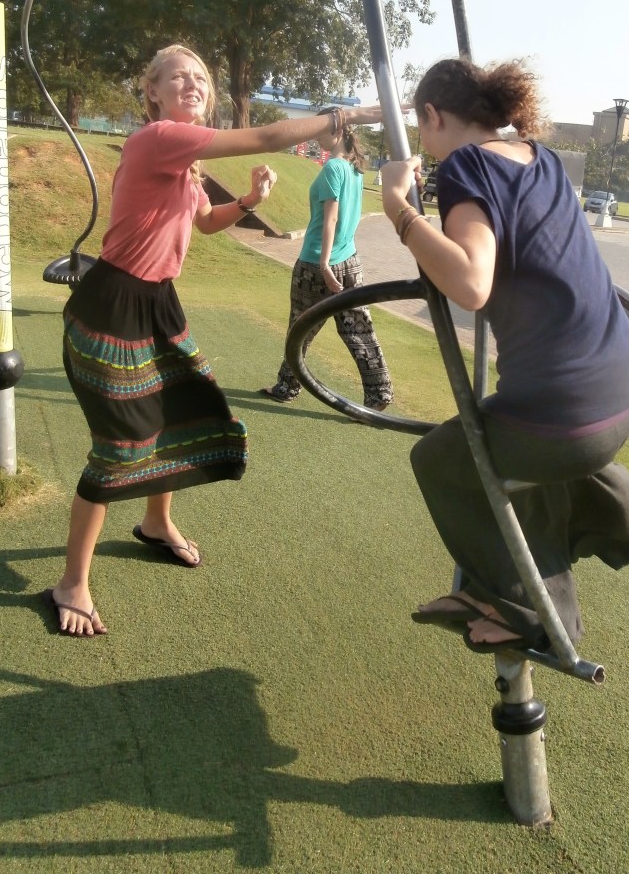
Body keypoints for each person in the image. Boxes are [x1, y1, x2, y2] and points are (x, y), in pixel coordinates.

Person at [44, 43, 381, 637]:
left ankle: (155, 523)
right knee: (122, 444)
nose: (192, 83)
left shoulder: (185, 163)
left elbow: (203, 221)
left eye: (200, 77)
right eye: (177, 76)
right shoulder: (156, 141)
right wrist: (346, 117)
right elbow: (266, 135)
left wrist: (248, 202)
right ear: (152, 91)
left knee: (180, 412)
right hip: (113, 305)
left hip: (156, 302)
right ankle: (72, 581)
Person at [379, 57, 629, 653]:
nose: (425, 145)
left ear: (433, 115)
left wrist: (399, 207)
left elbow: (471, 283)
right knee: (516, 452)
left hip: (567, 415)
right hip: (627, 388)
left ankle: (523, 607)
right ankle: (602, 517)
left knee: (443, 460)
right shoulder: (540, 157)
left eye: (422, 129)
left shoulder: (467, 165)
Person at [261, 126, 393, 410]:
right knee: (358, 328)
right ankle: (379, 393)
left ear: (339, 130)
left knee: (300, 327)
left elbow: (331, 220)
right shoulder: (354, 169)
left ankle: (287, 386)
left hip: (317, 263)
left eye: (321, 128)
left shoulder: (333, 167)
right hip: (350, 259)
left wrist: (323, 263)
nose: (314, 134)